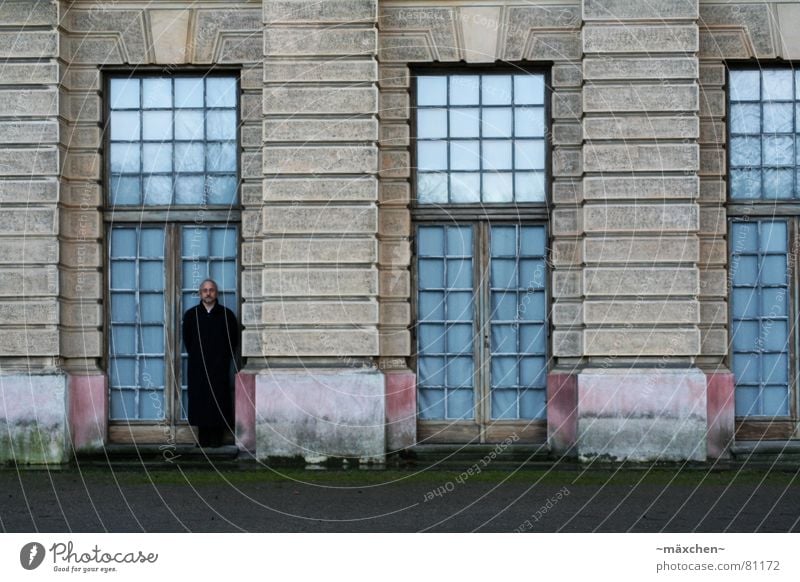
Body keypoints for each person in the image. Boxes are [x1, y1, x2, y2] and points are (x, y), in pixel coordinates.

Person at [182, 278, 239, 448]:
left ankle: (217, 439)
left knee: (219, 399)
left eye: (211, 290)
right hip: (198, 366)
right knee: (200, 399)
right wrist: (199, 356)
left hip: (219, 366)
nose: (208, 293)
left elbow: (233, 340)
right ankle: (203, 439)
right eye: (205, 290)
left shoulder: (227, 315)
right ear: (200, 293)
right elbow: (187, 339)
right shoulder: (191, 315)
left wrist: (221, 358)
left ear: (216, 293)